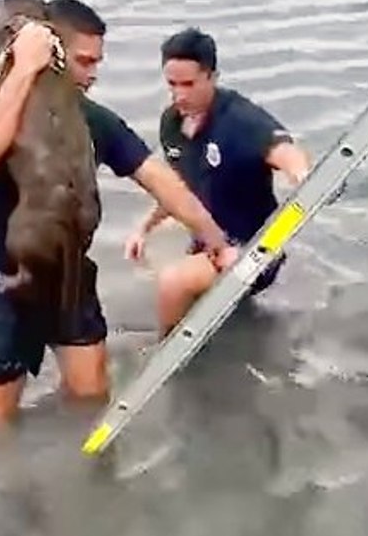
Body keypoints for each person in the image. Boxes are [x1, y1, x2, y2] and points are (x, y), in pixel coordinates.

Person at [0, 0, 238, 428]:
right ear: (53, 51)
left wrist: (216, 239)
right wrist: (26, 69)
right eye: (83, 61)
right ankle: (8, 491)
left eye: (97, 61)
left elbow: (158, 178)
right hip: (2, 287)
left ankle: (90, 479)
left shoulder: (91, 119)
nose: (93, 73)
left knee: (93, 401)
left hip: (68, 282)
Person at [124, 27, 312, 339]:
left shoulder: (241, 119)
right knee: (185, 295)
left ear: (212, 76)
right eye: (172, 84)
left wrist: (302, 175)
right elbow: (181, 188)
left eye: (189, 84)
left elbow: (286, 153)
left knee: (173, 282)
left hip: (255, 247)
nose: (179, 95)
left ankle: (164, 357)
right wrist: (143, 228)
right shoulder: (172, 123)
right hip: (209, 243)